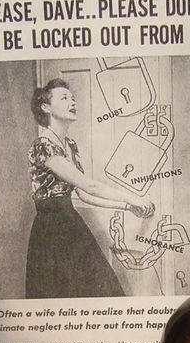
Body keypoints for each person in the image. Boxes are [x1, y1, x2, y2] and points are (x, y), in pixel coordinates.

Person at [25, 78, 155, 298]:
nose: (72, 102)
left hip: (71, 224)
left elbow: (84, 194)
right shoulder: (42, 146)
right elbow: (88, 184)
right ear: (46, 107)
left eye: (72, 98)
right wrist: (132, 197)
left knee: (98, 289)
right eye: (64, 98)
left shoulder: (70, 145)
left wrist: (126, 206)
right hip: (50, 231)